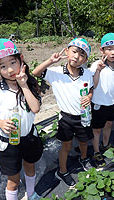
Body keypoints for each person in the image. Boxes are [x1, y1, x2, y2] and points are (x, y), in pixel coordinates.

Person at [0, 38, 43, 200]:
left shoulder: (30, 83)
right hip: (9, 142)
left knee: (30, 168)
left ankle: (31, 194)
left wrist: (24, 85)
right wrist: (1, 123)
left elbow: (36, 108)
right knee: (13, 180)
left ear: (21, 60)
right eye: (3, 66)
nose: (10, 69)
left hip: (29, 137)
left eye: (13, 63)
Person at [32, 38, 94, 187]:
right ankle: (62, 171)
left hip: (83, 115)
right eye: (74, 51)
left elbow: (91, 88)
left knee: (84, 141)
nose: (76, 56)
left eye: (81, 55)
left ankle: (84, 158)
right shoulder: (56, 72)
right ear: (66, 51)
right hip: (66, 118)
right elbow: (35, 72)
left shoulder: (87, 73)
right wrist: (50, 61)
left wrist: (90, 96)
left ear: (85, 59)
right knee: (65, 146)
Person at [89, 32, 114, 168]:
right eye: (109, 49)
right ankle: (96, 152)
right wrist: (98, 70)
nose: (113, 52)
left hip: (111, 102)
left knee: (109, 125)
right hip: (99, 104)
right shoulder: (97, 65)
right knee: (96, 130)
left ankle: (105, 144)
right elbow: (94, 84)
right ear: (102, 50)